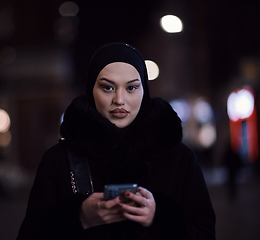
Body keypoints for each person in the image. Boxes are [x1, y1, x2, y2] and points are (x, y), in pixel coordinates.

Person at [17, 42, 216, 239]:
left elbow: (205, 234)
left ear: (144, 90)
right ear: (91, 90)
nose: (119, 99)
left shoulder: (179, 158)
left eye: (131, 88)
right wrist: (79, 217)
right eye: (107, 88)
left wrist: (160, 220)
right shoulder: (59, 160)